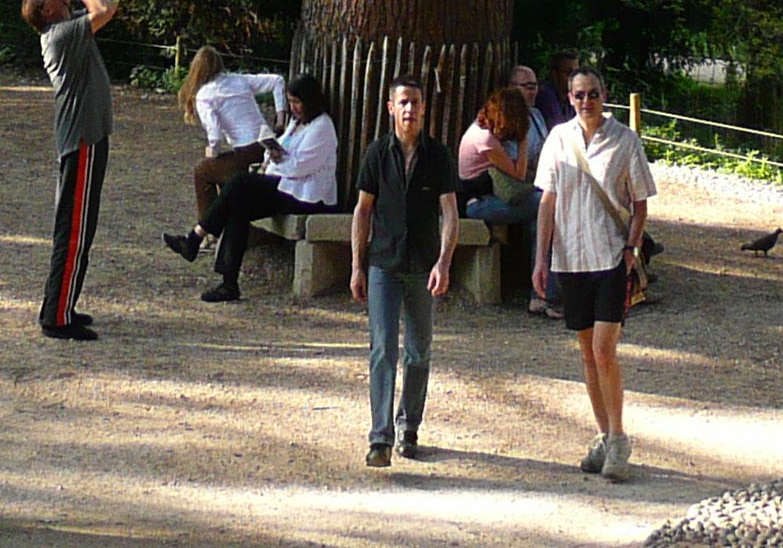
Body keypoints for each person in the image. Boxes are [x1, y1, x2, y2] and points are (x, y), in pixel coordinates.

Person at [533, 63, 655, 482]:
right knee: (586, 353)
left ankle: (619, 437)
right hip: (570, 259)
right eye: (579, 94)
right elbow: (547, 200)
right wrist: (541, 257)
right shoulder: (558, 139)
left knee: (605, 350)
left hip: (609, 257)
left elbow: (640, 201)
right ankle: (603, 435)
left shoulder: (625, 141)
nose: (586, 101)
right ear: (569, 98)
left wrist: (632, 247)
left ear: (605, 96)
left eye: (594, 94)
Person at [350, 74, 460, 467]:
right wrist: (356, 266)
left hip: (423, 265)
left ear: (424, 107)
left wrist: (444, 263)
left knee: (418, 351)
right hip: (383, 262)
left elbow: (450, 213)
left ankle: (409, 427)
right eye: (403, 103)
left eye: (416, 102)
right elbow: (362, 211)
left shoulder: (438, 156)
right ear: (391, 108)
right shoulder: (377, 154)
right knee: (382, 349)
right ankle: (379, 436)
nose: (410, 109)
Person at [171, 73, 339, 299]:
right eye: (290, 102)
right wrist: (273, 153)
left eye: (297, 102)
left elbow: (299, 167)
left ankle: (195, 237)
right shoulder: (296, 124)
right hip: (287, 185)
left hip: (307, 195)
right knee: (239, 205)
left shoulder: (322, 127)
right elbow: (284, 157)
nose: (293, 108)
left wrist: (278, 160)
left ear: (311, 101)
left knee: (239, 182)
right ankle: (228, 282)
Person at [22, 0, 116, 343]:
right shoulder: (60, 34)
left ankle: (62, 304)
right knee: (74, 231)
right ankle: (56, 317)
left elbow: (99, 8)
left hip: (84, 137)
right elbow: (106, 9)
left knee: (79, 228)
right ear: (46, 12)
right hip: (81, 140)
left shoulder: (67, 27)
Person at [459, 83, 546, 315]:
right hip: (479, 204)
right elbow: (518, 173)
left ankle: (541, 293)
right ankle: (542, 293)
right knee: (547, 206)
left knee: (540, 220)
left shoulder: (482, 130)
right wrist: (523, 139)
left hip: (492, 197)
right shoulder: (485, 139)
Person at [177, 45, 287, 225]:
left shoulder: (204, 95)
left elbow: (215, 134)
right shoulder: (239, 80)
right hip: (266, 145)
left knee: (202, 171)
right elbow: (277, 81)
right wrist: (280, 119)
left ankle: (208, 228)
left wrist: (213, 151)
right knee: (222, 169)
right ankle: (223, 223)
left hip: (246, 151)